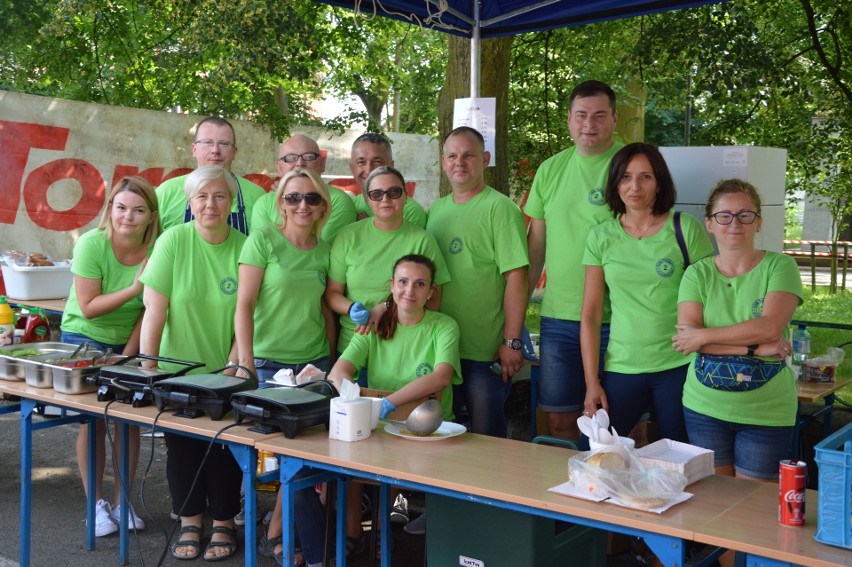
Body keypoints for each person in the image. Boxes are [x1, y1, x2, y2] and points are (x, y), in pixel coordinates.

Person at [140, 165, 246, 561]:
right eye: (202, 197)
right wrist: (150, 368)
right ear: (190, 203)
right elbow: (154, 309)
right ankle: (190, 520)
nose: (210, 204)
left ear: (232, 203)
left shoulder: (244, 247)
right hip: (176, 370)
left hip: (226, 370)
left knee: (224, 447)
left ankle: (223, 522)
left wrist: (235, 365)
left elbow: (247, 313)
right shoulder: (172, 241)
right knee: (182, 447)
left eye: (219, 196)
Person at [580, 143, 714, 445]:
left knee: (680, 457)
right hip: (622, 364)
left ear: (659, 182)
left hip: (679, 365)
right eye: (625, 177)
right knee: (596, 451)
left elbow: (711, 299)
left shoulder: (685, 229)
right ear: (615, 184)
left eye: (645, 177)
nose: (634, 187)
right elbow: (590, 314)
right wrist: (592, 381)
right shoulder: (601, 237)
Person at [328, 254, 461, 552]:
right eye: (402, 282)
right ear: (391, 285)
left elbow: (441, 377)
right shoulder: (375, 326)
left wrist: (387, 403)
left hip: (427, 429)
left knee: (399, 476)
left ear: (431, 292)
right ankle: (354, 533)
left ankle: (386, 527)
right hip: (377, 423)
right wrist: (354, 401)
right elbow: (338, 372)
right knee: (349, 463)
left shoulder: (444, 326)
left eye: (419, 284)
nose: (409, 291)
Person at [674, 178, 802, 481]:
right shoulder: (697, 273)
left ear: (758, 223)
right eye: (724, 215)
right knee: (713, 502)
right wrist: (753, 348)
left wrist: (705, 335)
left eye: (745, 215)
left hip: (766, 411)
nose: (735, 223)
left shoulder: (780, 266)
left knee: (752, 510)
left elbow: (769, 326)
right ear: (709, 223)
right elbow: (685, 339)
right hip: (704, 406)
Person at [239, 170, 334, 567]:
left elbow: (326, 307)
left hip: (314, 363)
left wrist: (332, 363)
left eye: (312, 198)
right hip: (268, 364)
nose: (302, 206)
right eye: (294, 198)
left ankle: (280, 531)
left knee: (314, 458)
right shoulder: (262, 240)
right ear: (280, 203)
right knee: (283, 455)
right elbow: (243, 306)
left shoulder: (325, 248)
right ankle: (288, 537)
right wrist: (244, 362)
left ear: (323, 206)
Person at [60, 176, 160, 537]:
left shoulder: (159, 249)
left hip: (126, 345)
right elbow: (87, 308)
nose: (127, 217)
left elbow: (148, 311)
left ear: (151, 215)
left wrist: (129, 356)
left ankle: (122, 503)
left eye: (137, 210)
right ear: (110, 210)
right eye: (121, 208)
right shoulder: (91, 244)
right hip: (83, 340)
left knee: (128, 423)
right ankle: (95, 508)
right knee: (95, 421)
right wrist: (135, 286)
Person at [525, 80, 624, 441]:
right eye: (581, 115)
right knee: (559, 423)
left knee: (623, 424)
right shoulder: (550, 169)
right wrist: (517, 316)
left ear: (614, 119)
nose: (589, 124)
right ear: (568, 119)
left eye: (599, 116)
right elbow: (535, 249)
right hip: (560, 317)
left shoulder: (630, 166)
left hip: (621, 319)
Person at [426, 126, 529, 438]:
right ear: (443, 162)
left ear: (485, 159)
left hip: (484, 351)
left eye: (469, 155)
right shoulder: (436, 211)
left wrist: (512, 340)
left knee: (487, 438)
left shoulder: (500, 208)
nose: (460, 162)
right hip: (441, 348)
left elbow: (517, 277)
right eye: (453, 156)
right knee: (440, 434)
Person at [325, 165, 449, 359]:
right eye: (376, 194)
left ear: (405, 196)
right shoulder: (348, 236)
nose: (385, 199)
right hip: (354, 347)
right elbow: (332, 294)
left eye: (394, 192)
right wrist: (351, 308)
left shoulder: (423, 241)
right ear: (367, 199)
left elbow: (433, 301)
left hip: (403, 349)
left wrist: (387, 308)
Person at [156, 116, 266, 235]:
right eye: (207, 142)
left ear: (234, 152)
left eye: (223, 144)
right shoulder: (166, 192)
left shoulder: (258, 196)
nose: (215, 150)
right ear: (194, 149)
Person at [251, 134, 356, 245]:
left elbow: (323, 252)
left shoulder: (338, 201)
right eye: (290, 158)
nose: (300, 163)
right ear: (278, 167)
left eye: (309, 156)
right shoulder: (264, 203)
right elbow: (260, 248)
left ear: (322, 163)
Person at [348, 133, 427, 228]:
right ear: (352, 168)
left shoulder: (410, 211)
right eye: (361, 162)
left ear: (391, 166)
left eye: (377, 162)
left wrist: (367, 228)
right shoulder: (349, 208)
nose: (369, 170)